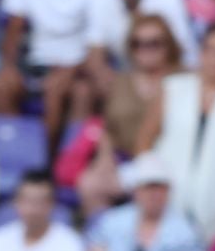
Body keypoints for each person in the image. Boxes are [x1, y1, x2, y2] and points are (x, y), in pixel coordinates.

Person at [0, 0, 120, 152]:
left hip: (79, 66)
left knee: (64, 90)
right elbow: (13, 29)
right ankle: (15, 152)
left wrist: (71, 70)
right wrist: (8, 66)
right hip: (36, 62)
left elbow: (99, 40)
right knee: (2, 85)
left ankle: (47, 158)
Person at [142, 23, 215, 241]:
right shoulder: (172, 88)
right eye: (212, 50)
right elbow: (145, 142)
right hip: (169, 197)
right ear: (202, 54)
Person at [70, 11, 181, 219]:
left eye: (154, 43)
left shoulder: (182, 80)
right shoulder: (120, 82)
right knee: (90, 184)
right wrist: (104, 158)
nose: (145, 50)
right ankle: (103, 240)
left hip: (170, 162)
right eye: (138, 44)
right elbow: (107, 127)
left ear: (169, 45)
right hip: (127, 160)